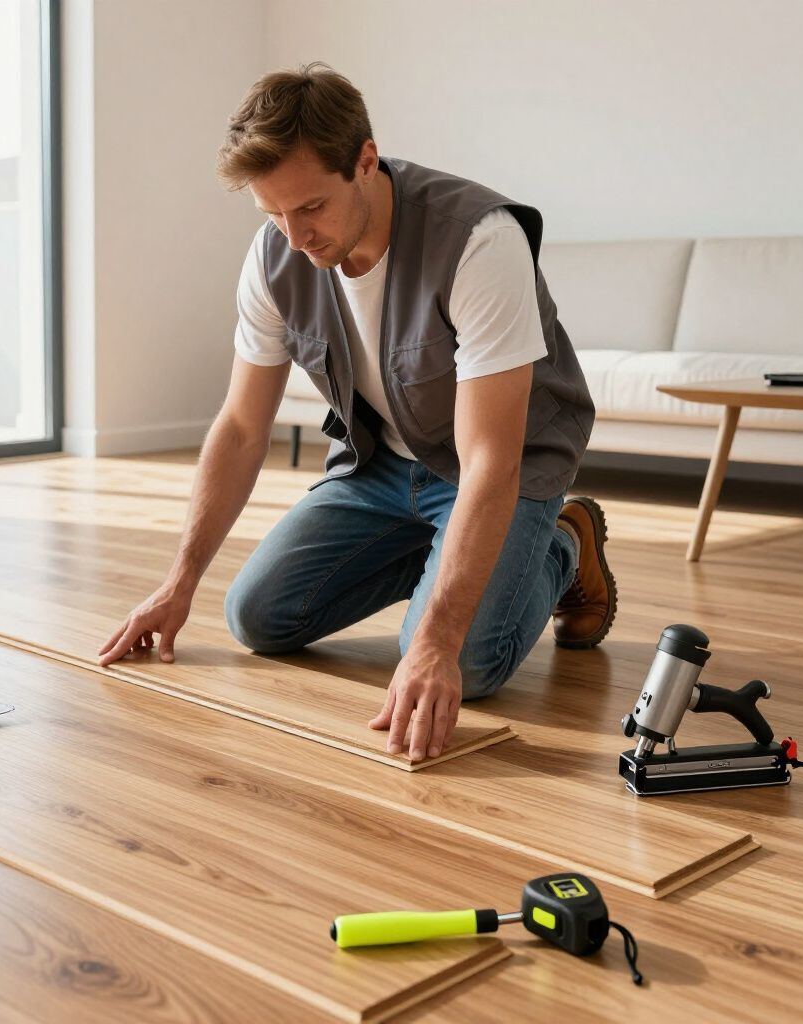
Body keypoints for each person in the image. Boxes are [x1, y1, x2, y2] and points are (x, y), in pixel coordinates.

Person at [98, 63, 616, 762]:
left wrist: (436, 641)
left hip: (495, 471)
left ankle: (561, 543)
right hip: (380, 472)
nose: (295, 234)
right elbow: (243, 425)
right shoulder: (275, 256)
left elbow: (491, 456)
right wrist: (178, 580)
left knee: (472, 664)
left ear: (365, 160)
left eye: (310, 206)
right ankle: (447, 560)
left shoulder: (479, 241)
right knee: (258, 617)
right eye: (272, 214)